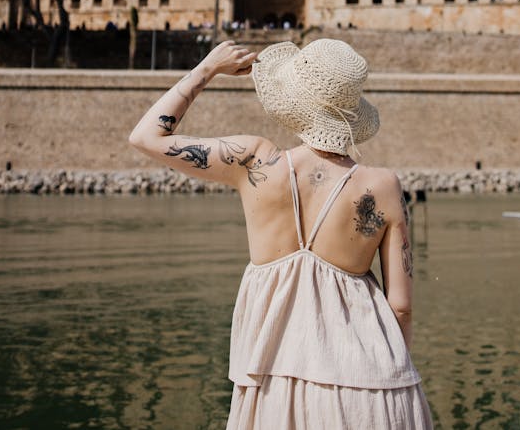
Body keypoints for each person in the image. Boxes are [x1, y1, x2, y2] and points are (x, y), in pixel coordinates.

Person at [129, 36, 433, 429]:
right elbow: (402, 307)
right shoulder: (383, 185)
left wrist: (206, 70)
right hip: (372, 382)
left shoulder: (255, 161)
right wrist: (392, 374)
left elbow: (145, 137)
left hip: (274, 381)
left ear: (296, 103)